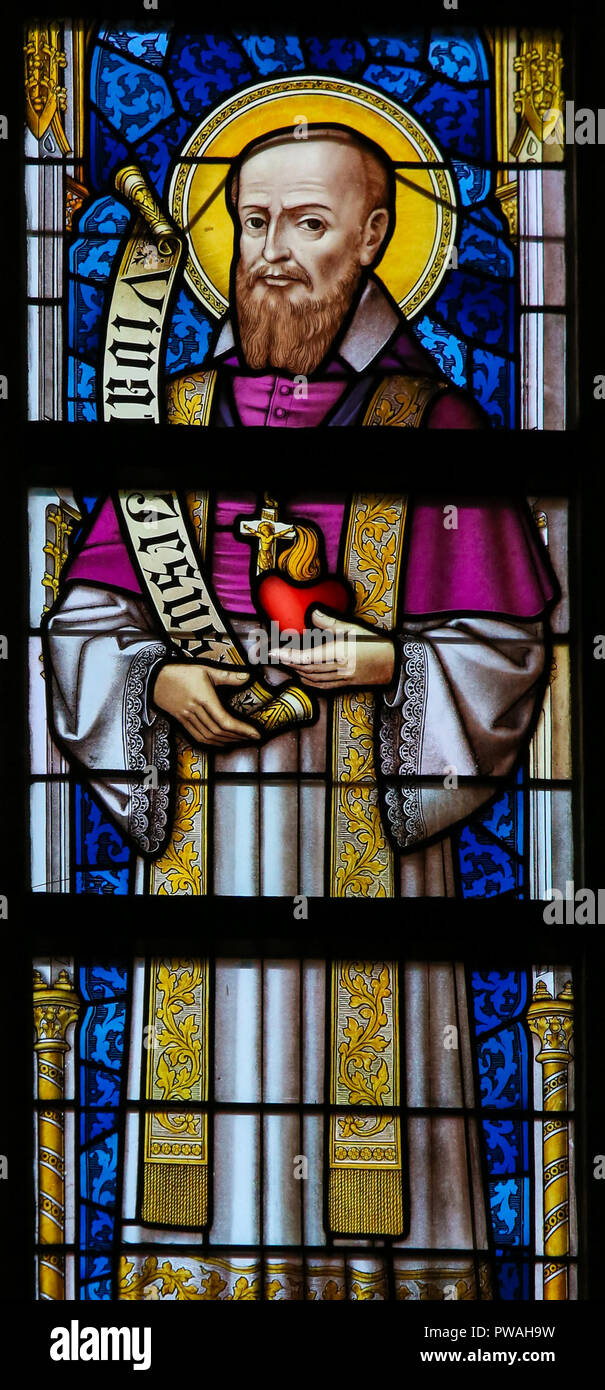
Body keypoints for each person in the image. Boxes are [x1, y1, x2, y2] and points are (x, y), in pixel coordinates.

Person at [164, 126, 486, 428]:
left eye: (310, 223)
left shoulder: (434, 416)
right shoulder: (172, 405)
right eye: (256, 222)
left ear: (370, 237)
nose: (272, 251)